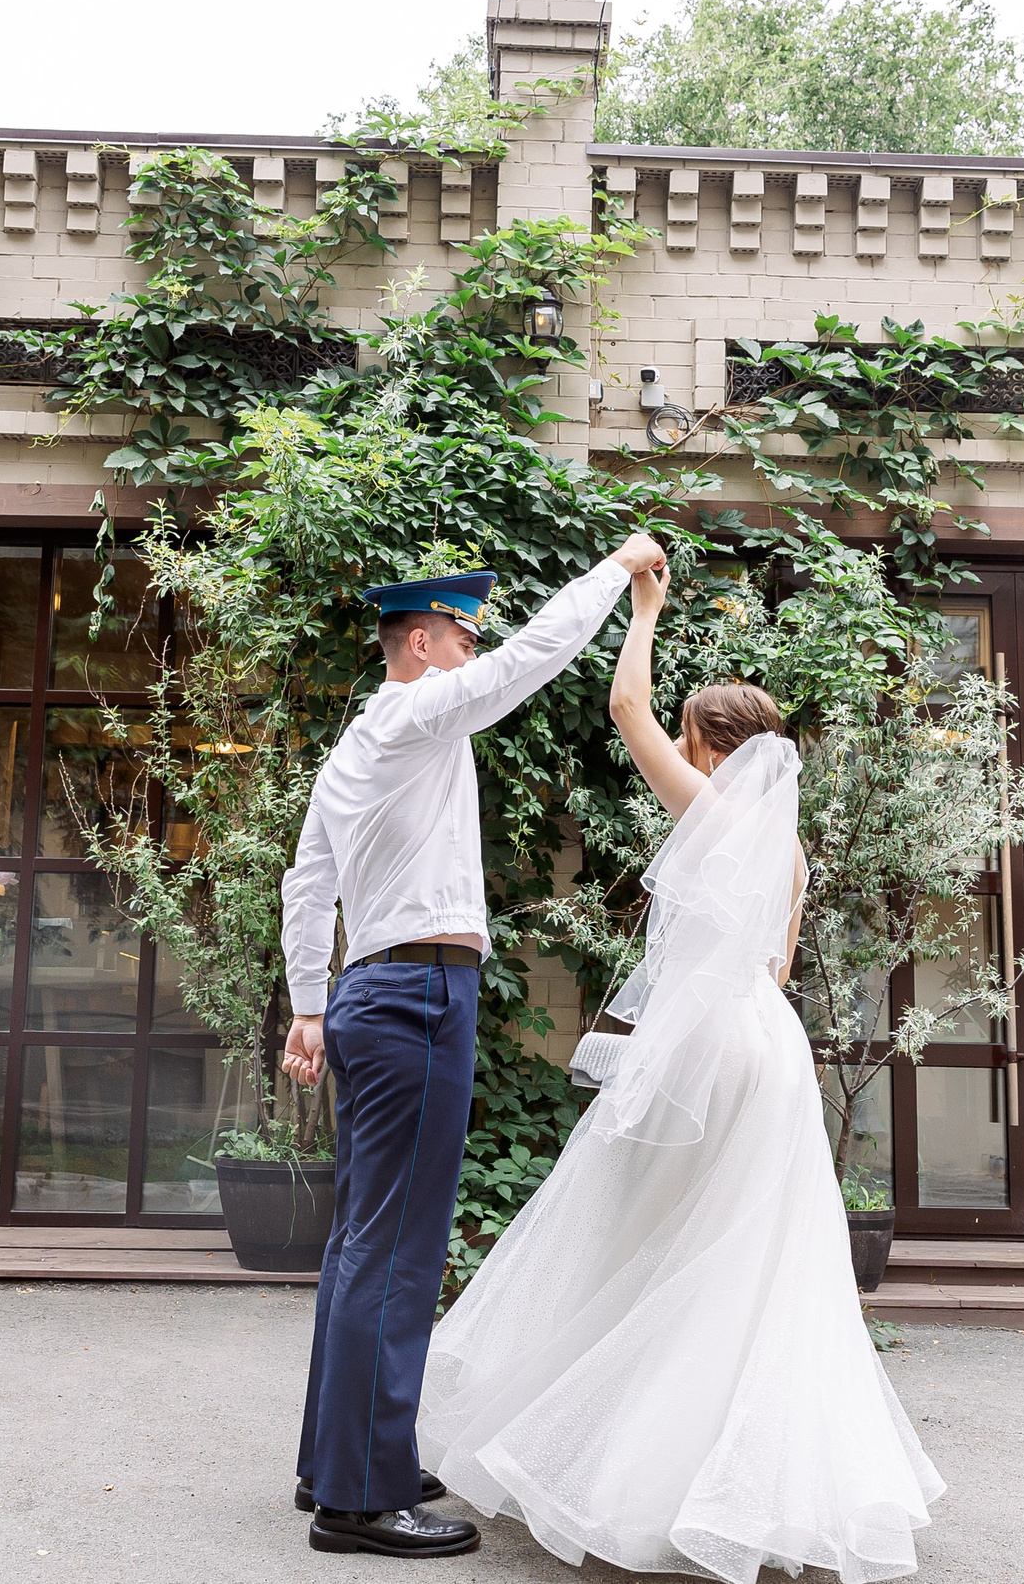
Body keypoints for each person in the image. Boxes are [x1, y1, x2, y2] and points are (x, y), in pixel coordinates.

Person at [415, 559, 946, 1583]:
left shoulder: (708, 810)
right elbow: (776, 966)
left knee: (632, 1232)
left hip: (705, 1050)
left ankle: (623, 1469)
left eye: (694, 742)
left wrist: (645, 608)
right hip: (769, 1049)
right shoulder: (786, 852)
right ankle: (754, 1487)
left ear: (712, 749)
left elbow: (624, 704)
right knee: (753, 1264)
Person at [282, 532, 670, 1559]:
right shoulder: (414, 710)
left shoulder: (360, 744)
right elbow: (533, 656)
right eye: (459, 632)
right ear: (420, 643)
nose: (470, 648)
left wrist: (309, 1006)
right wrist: (616, 568)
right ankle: (359, 1501)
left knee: (364, 1235)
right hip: (417, 993)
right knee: (399, 1245)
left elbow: (304, 883)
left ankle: (339, 1464)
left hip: (376, 988)